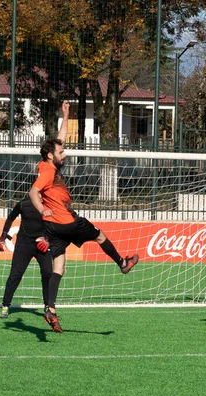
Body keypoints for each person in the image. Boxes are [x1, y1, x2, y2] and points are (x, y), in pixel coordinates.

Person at [29, 100, 139, 333]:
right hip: (67, 222)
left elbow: (59, 141)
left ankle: (51, 309)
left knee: (59, 266)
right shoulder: (48, 172)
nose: (65, 154)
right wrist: (42, 209)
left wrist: (65, 115)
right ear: (51, 156)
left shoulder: (45, 164)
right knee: (99, 236)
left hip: (53, 228)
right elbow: (33, 192)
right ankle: (122, 263)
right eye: (61, 153)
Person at [0, 197, 52, 319]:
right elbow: (10, 218)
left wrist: (48, 240)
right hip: (23, 244)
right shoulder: (23, 204)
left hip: (41, 244)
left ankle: (48, 306)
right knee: (15, 274)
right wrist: (3, 237)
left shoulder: (49, 204)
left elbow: (55, 223)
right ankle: (5, 305)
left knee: (48, 272)